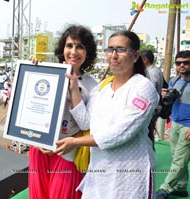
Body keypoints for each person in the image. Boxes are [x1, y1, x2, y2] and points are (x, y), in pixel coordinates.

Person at [55, 31, 159, 199]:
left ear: (135, 55)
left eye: (121, 49)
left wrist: (76, 142)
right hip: (99, 170)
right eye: (110, 49)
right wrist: (74, 86)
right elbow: (85, 123)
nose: (114, 55)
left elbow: (120, 133)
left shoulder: (143, 88)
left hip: (130, 172)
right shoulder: (102, 87)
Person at [29, 25, 98, 199]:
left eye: (80, 46)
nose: (74, 51)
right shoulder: (48, 71)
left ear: (87, 52)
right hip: (41, 147)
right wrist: (32, 72)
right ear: (63, 49)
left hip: (67, 150)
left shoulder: (92, 86)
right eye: (69, 45)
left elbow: (86, 124)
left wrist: (74, 89)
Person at [156, 50, 190, 199]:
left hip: (187, 126)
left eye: (186, 62)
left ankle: (165, 188)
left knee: (179, 160)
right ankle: (181, 187)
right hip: (175, 122)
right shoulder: (173, 80)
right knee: (177, 157)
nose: (182, 65)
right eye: (178, 63)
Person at [141, 50, 166, 141]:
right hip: (155, 106)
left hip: (151, 107)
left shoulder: (150, 72)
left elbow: (149, 90)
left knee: (147, 134)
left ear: (145, 60)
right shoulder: (156, 70)